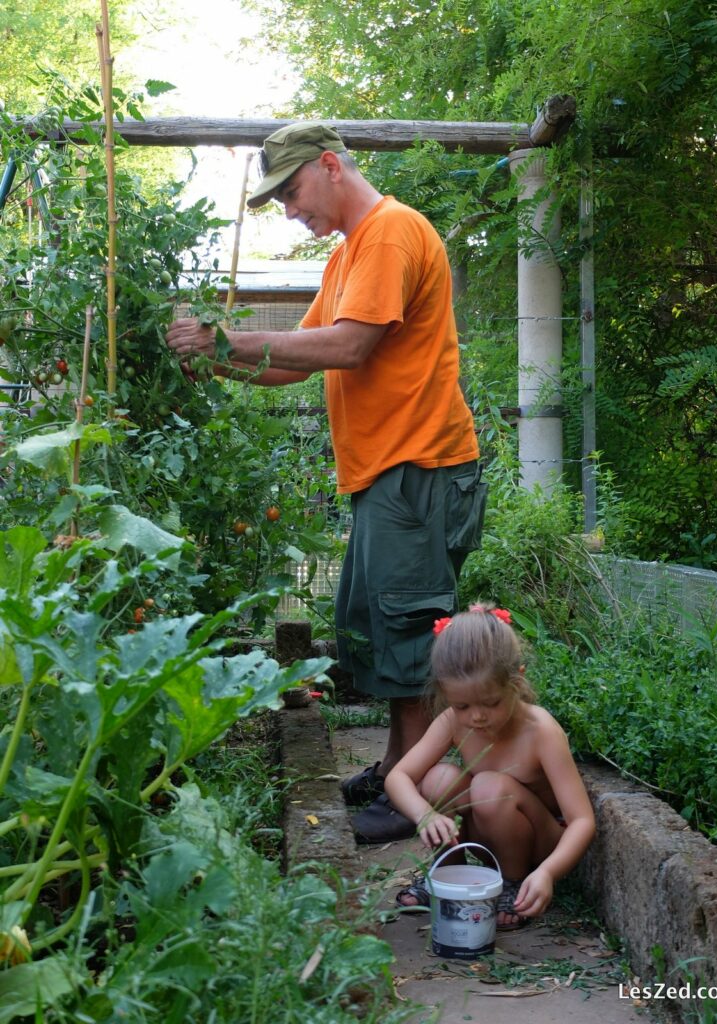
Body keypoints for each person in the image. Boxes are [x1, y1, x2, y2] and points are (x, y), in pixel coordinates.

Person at [165, 122, 486, 844]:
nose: (289, 210)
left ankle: (414, 790)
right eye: (278, 198)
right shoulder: (350, 254)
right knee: (376, 632)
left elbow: (349, 344)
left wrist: (227, 340)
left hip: (421, 466)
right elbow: (300, 362)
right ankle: (399, 769)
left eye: (292, 191)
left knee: (408, 636)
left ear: (331, 165)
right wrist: (215, 359)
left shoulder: (391, 233)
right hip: (390, 472)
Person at [384, 604, 595, 928]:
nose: (477, 717)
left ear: (517, 681)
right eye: (462, 705)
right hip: (485, 838)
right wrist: (424, 814)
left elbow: (581, 820)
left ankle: (512, 883)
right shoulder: (453, 721)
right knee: (438, 779)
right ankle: (447, 872)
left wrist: (548, 872)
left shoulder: (541, 731)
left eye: (491, 703)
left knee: (488, 786)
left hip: (538, 845)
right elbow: (398, 777)